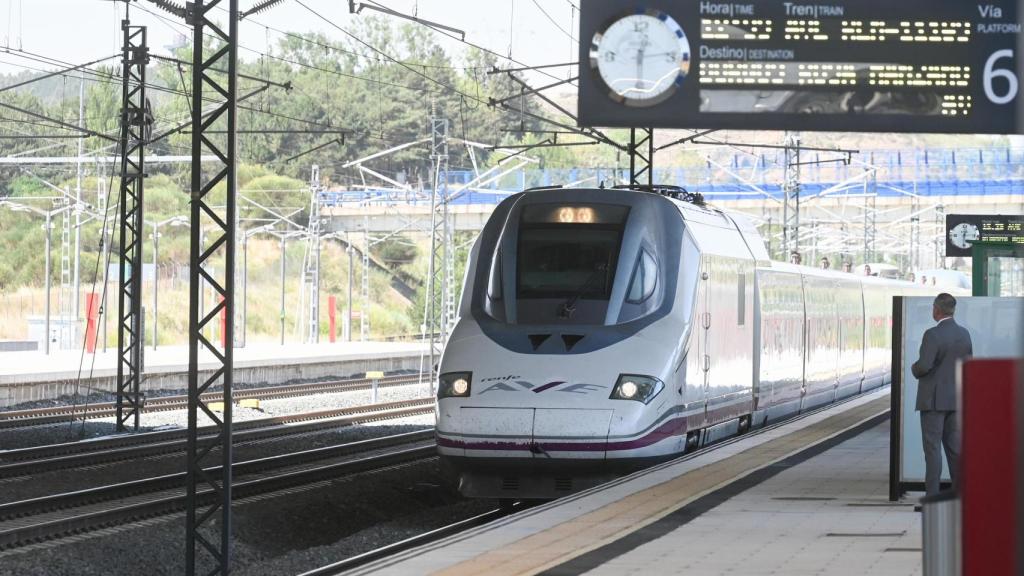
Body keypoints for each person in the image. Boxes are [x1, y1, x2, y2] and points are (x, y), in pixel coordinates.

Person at [911, 293, 973, 497]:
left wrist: (914, 368)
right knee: (954, 449)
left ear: (937, 310)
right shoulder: (964, 334)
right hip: (956, 399)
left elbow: (923, 366)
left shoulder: (932, 335)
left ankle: (933, 496)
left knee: (932, 449)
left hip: (933, 402)